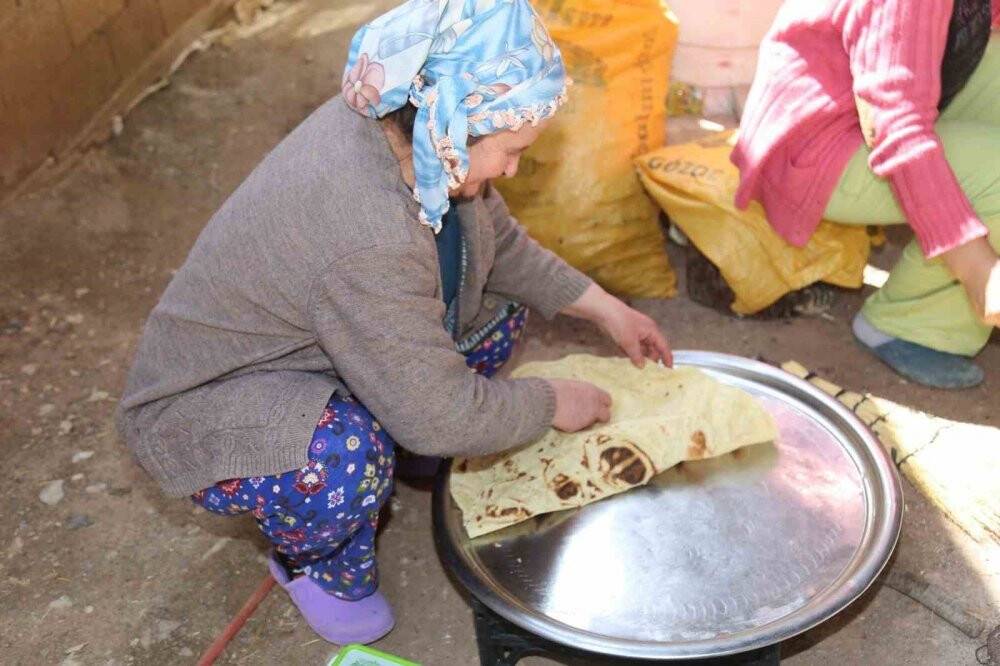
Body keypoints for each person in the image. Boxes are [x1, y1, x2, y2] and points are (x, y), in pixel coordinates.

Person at [116, 0, 672, 645]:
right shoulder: (366, 233)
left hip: (339, 339)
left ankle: (404, 449)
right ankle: (317, 564)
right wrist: (550, 403)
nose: (512, 170)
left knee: (495, 306)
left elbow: (500, 248)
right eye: (511, 151)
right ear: (452, 126)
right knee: (345, 460)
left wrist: (607, 309)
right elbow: (440, 416)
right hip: (214, 401)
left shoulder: (412, 136)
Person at [733, 0, 1000, 389]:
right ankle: (910, 325)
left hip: (885, 93)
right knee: (996, 175)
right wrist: (980, 271)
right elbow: (894, 126)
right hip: (818, 144)